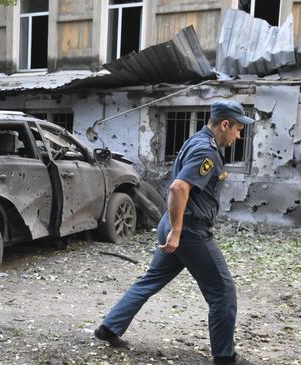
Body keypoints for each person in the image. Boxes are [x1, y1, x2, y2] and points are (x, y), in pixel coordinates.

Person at [94, 100, 256, 365]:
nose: (238, 136)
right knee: (223, 293)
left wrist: (173, 229)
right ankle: (225, 357)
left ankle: (109, 327)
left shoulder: (197, 141)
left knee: (149, 280)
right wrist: (178, 233)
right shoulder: (206, 150)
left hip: (173, 224)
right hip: (189, 231)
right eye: (237, 129)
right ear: (224, 124)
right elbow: (179, 188)